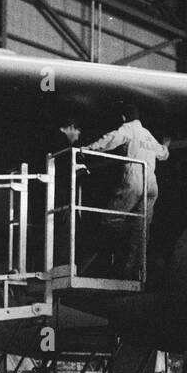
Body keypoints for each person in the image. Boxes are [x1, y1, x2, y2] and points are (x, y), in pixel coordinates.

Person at [78, 103, 170, 282]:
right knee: (141, 229)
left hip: (134, 179)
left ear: (122, 117)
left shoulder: (127, 129)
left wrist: (87, 149)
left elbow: (111, 139)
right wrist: (166, 145)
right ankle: (132, 272)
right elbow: (163, 154)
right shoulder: (147, 135)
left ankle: (120, 251)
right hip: (151, 184)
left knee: (110, 219)